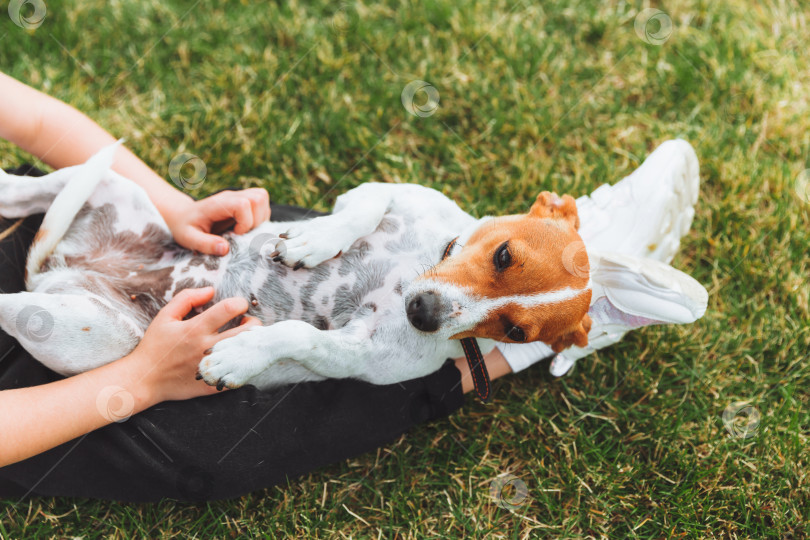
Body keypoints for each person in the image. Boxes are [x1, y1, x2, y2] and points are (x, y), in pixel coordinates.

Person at [0, 71, 705, 501]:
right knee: (215, 443)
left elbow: (33, 119)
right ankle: (511, 349)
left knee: (303, 258)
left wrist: (171, 209)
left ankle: (573, 275)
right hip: (38, 375)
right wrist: (141, 380)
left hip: (45, 215)